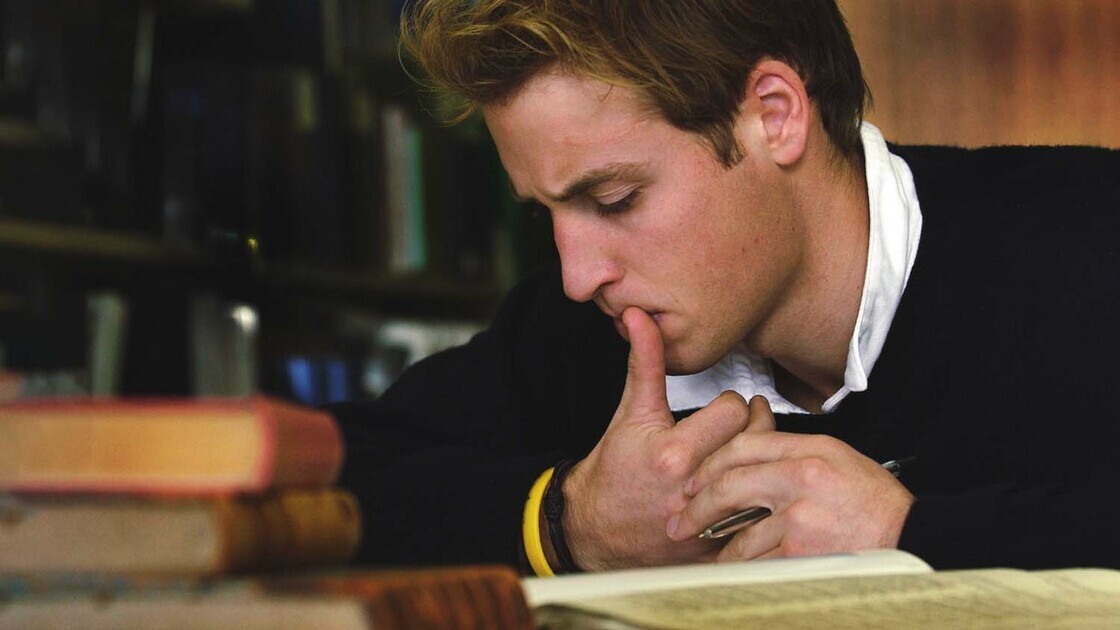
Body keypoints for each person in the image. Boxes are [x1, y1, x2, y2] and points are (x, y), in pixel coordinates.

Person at [330, 0, 1120, 574]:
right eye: (548, 213)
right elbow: (327, 481)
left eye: (615, 200)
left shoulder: (1089, 238)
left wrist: (909, 534)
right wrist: (572, 523)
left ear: (775, 118)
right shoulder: (574, 332)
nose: (577, 276)